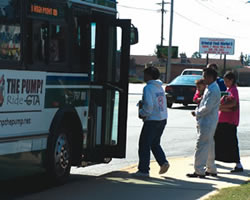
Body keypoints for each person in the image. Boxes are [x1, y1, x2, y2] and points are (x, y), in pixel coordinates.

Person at [133, 66, 169, 177]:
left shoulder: (148, 88)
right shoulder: (159, 87)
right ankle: (163, 162)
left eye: (145, 74)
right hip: (162, 118)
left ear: (149, 76)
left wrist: (143, 113)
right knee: (155, 143)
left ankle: (143, 170)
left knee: (144, 144)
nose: (143, 76)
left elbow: (149, 105)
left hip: (152, 120)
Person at [187, 67, 221, 178]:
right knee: (209, 145)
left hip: (208, 121)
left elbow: (207, 107)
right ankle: (211, 168)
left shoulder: (213, 90)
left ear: (211, 77)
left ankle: (199, 170)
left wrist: (197, 113)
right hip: (207, 121)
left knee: (201, 145)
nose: (203, 78)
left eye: (205, 76)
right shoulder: (209, 88)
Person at [214, 71, 243, 172]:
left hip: (229, 121)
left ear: (231, 80)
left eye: (227, 81)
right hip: (223, 120)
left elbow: (233, 103)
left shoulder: (233, 90)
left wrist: (219, 106)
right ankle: (212, 161)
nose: (225, 83)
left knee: (231, 142)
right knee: (218, 141)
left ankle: (238, 164)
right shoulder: (228, 89)